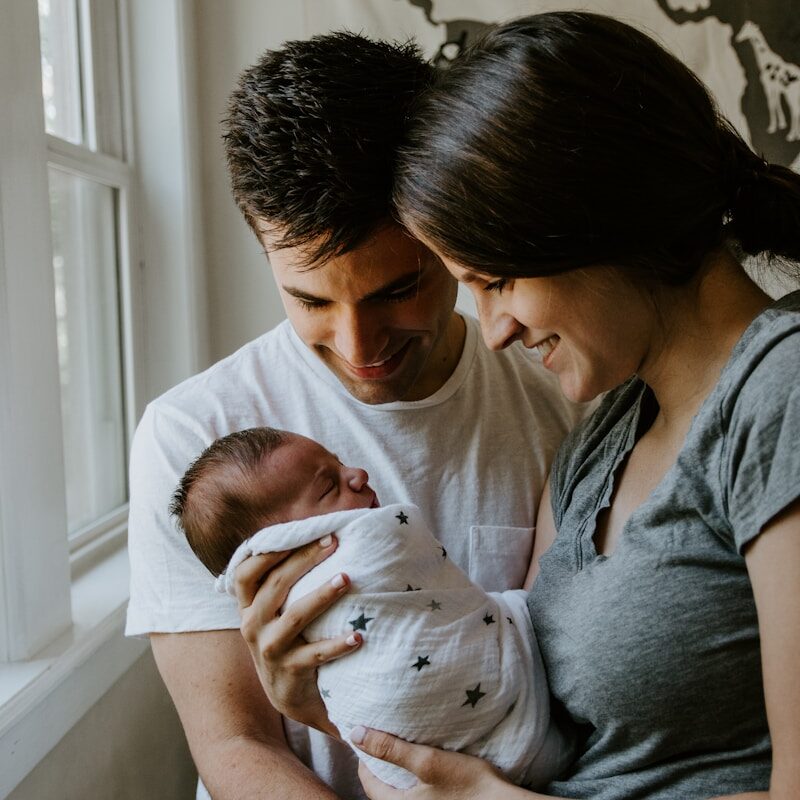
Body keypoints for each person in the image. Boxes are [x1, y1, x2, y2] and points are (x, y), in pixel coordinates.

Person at [243, 12, 800, 800]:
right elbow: (533, 725)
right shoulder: (601, 437)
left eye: (498, 281)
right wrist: (335, 702)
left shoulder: (781, 393)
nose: (493, 330)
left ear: (602, 219)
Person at [124, 31, 582, 800]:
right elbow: (233, 745)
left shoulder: (555, 404)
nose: (358, 344)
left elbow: (556, 692)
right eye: (309, 300)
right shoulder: (194, 436)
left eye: (396, 290)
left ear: (449, 233)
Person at [171, 426, 572, 790]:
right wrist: (301, 704)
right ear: (286, 541)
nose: (358, 473)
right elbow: (233, 743)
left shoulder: (553, 414)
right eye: (329, 487)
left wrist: (312, 709)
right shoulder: (182, 426)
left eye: (340, 462)